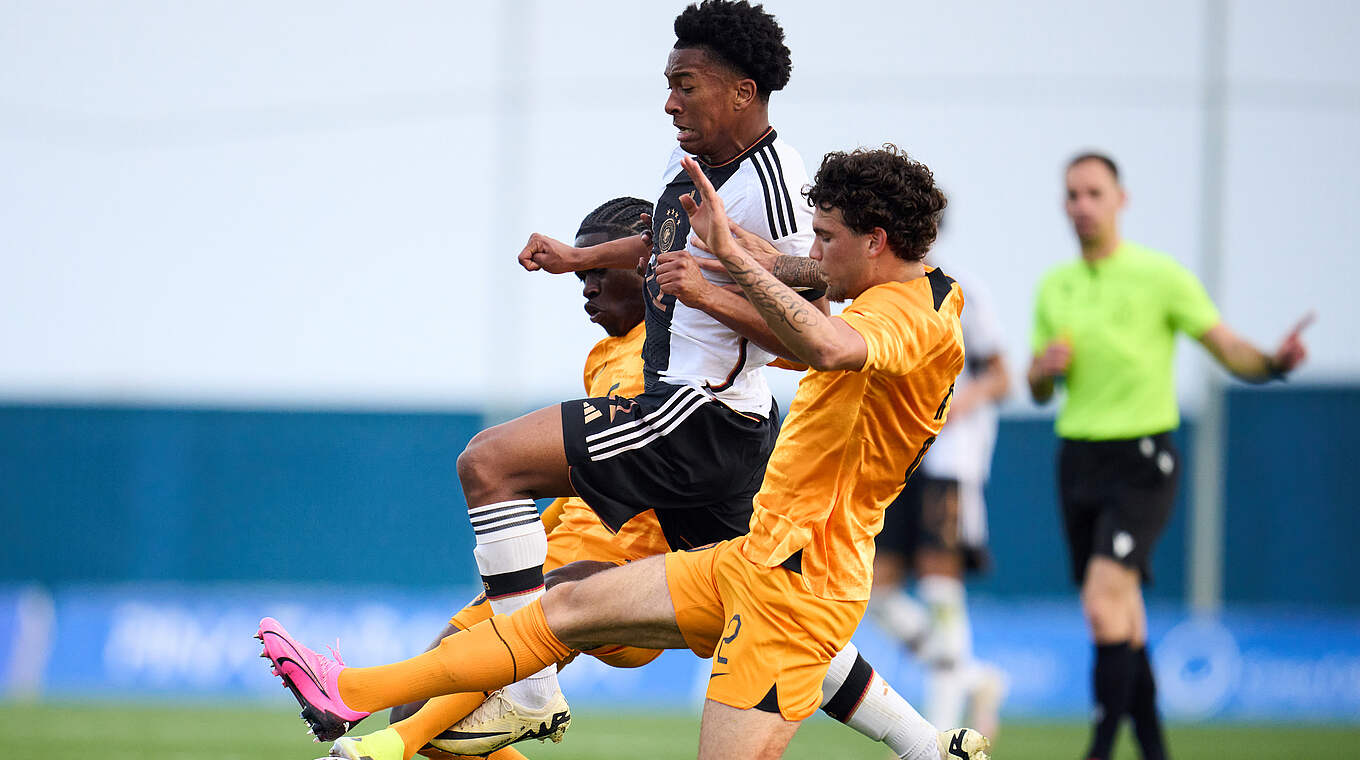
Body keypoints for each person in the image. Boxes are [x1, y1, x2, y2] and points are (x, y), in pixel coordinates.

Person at [263, 3, 936, 757]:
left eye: (686, 85)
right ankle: (924, 742)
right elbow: (662, 240)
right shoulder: (688, 172)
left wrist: (711, 293)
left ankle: (520, 689)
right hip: (707, 433)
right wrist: (579, 258)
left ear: (743, 92)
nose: (670, 101)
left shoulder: (768, 189)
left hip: (699, 414)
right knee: (778, 602)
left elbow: (806, 326)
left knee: (489, 463)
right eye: (668, 84)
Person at [1028, 152, 1311, 760]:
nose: (1082, 205)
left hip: (1143, 459)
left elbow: (1228, 347)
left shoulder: (1161, 276)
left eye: (1094, 192)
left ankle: (1100, 750)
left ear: (1120, 200)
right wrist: (1043, 371)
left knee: (1104, 603)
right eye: (1072, 194)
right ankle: (1155, 750)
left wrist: (1273, 364)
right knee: (1121, 614)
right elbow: (1037, 388)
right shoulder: (1056, 286)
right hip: (1077, 459)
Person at [868, 256, 1009, 738]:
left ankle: (942, 735)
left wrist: (945, 410)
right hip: (899, 459)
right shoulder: (882, 293)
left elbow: (999, 376)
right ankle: (975, 678)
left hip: (949, 461)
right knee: (878, 594)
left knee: (938, 587)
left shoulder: (960, 289)